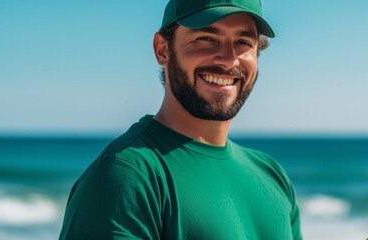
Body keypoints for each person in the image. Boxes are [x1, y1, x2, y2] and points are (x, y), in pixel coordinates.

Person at [58, 0, 302, 239]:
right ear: (163, 50)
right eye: (206, 39)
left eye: (242, 42)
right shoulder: (127, 176)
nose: (228, 59)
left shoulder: (272, 176)